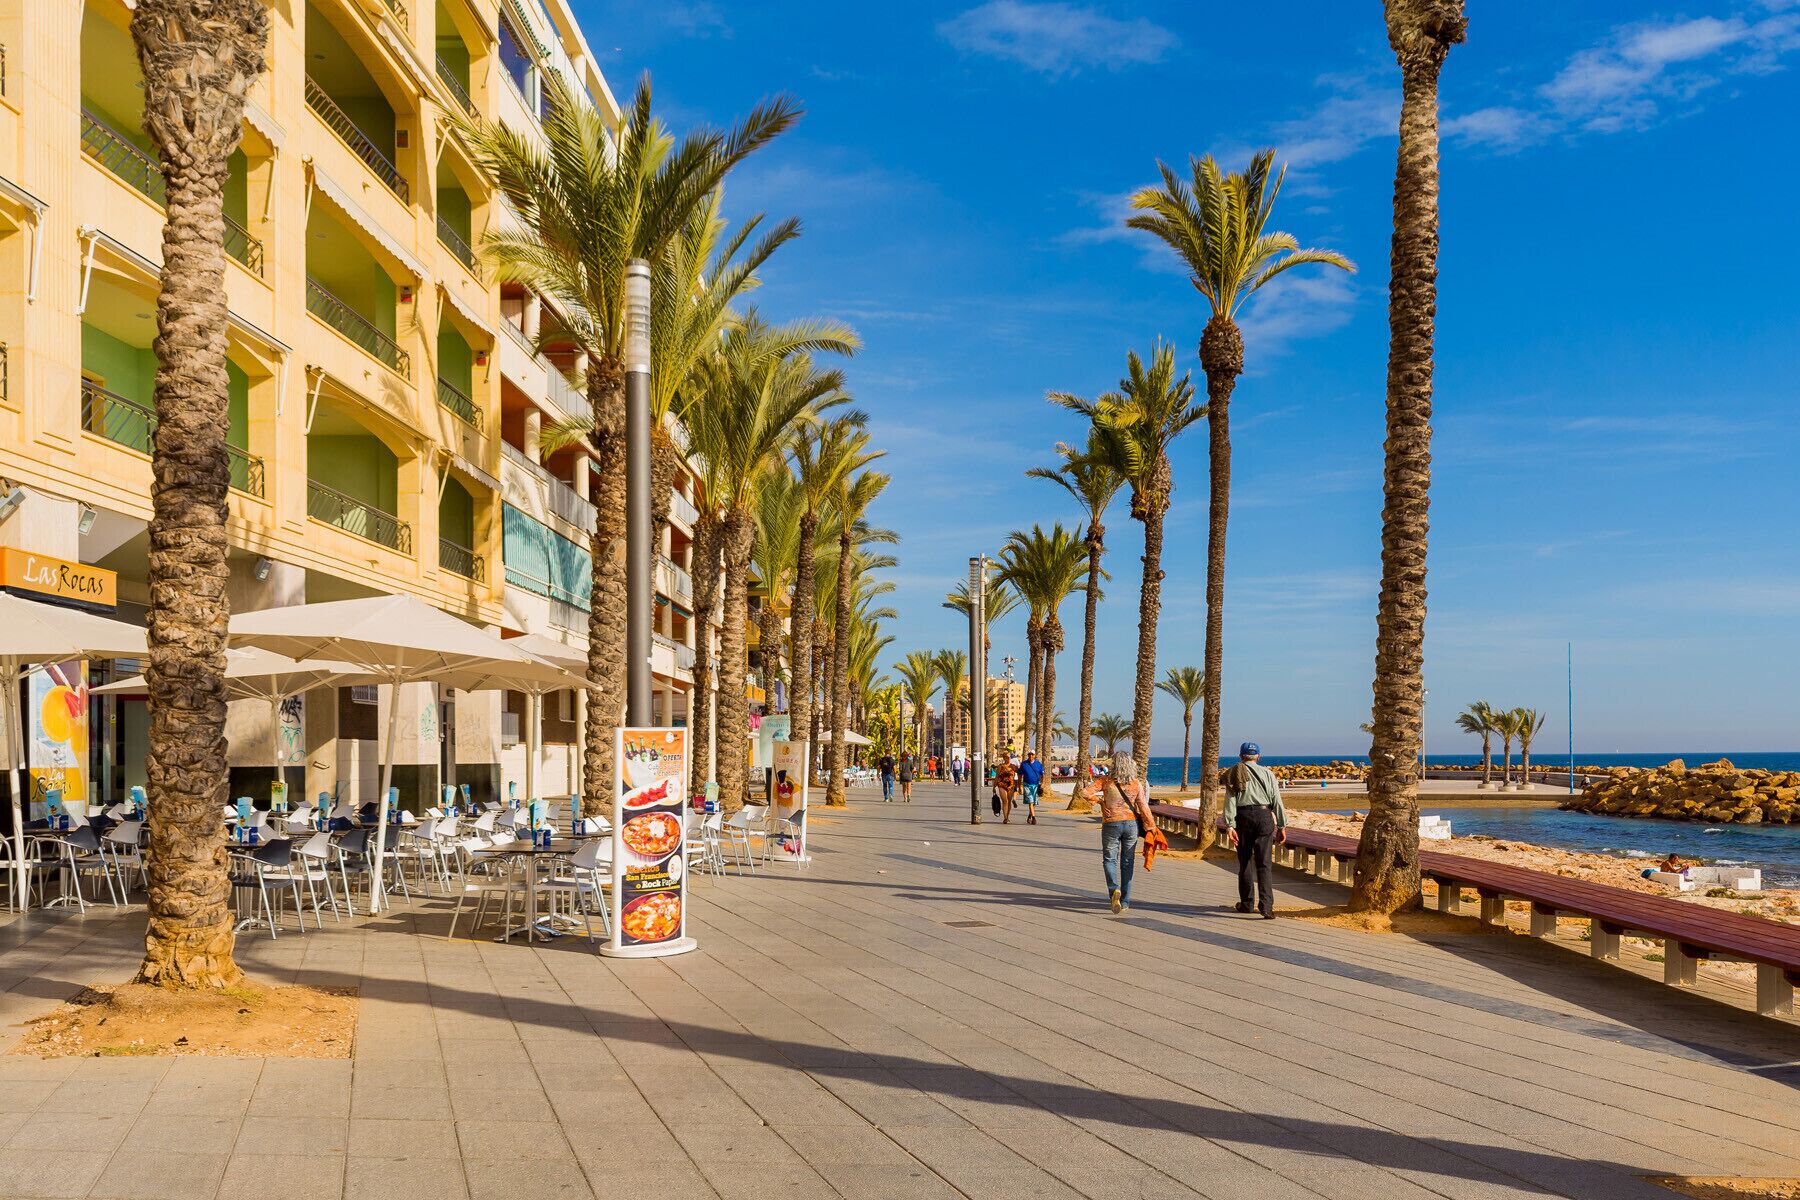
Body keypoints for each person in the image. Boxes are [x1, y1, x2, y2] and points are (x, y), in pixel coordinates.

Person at [1223, 741, 1286, 919]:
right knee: (1264, 863)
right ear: (1258, 756)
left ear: (1241, 756)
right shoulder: (1268, 774)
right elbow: (1277, 800)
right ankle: (1266, 906)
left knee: (1245, 862)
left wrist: (1229, 825)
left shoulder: (1235, 772)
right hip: (1264, 816)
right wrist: (1282, 825)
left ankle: (1247, 903)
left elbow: (1230, 801)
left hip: (1243, 817)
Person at [1090, 753, 1155, 913]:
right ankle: (1125, 902)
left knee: (1109, 859)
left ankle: (1114, 890)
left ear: (1114, 765)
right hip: (1131, 825)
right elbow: (1143, 806)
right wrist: (1151, 827)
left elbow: (1085, 792)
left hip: (1111, 824)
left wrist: (1100, 802)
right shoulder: (1135, 783)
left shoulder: (1106, 781)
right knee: (1128, 862)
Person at [1018, 750, 1045, 826]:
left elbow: (1043, 775)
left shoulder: (1038, 764)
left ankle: (1030, 815)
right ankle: (1034, 818)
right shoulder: (1023, 764)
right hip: (1027, 785)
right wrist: (1019, 786)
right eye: (1029, 754)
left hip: (1036, 785)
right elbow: (1020, 776)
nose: (1030, 756)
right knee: (1031, 801)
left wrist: (1042, 784)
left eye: (1032, 754)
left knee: (1034, 803)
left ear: (1034, 755)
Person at [993, 755, 1020, 823]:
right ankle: (1005, 818)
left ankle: (1007, 817)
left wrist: (1019, 785)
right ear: (1004, 758)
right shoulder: (1000, 766)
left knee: (1009, 801)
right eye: (1007, 757)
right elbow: (997, 776)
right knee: (1005, 801)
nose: (1008, 759)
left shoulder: (1013, 766)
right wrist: (994, 786)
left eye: (1009, 757)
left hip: (1010, 785)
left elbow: (1020, 772)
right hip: (1002, 784)